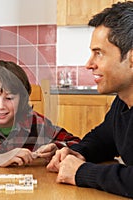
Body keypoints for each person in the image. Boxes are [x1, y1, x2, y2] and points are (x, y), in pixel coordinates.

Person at [46, 1, 133, 198]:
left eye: (99, 54)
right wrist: (76, 152)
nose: (89, 64)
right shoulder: (122, 103)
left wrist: (81, 172)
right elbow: (102, 139)